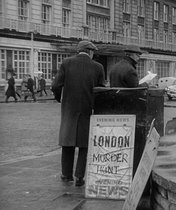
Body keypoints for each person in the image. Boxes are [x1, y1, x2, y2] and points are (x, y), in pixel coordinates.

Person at [51, 40, 105, 187]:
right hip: (88, 110)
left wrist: (59, 99)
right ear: (90, 51)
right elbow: (101, 92)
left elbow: (55, 85)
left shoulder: (66, 63)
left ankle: (66, 175)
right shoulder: (98, 67)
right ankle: (79, 177)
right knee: (84, 145)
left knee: (67, 143)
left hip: (69, 109)